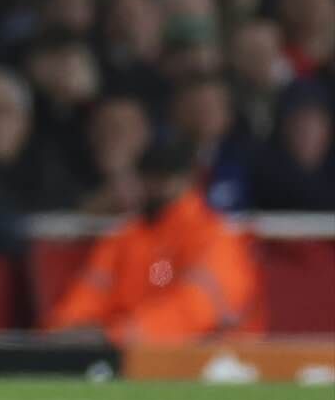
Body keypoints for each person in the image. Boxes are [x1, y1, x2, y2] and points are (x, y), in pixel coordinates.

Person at [44, 137, 263, 342]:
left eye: (163, 177)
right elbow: (92, 292)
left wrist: (120, 335)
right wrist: (64, 330)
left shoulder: (213, 236)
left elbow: (195, 307)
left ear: (187, 180)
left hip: (215, 362)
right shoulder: (126, 237)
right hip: (136, 357)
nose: (153, 186)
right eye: (148, 176)